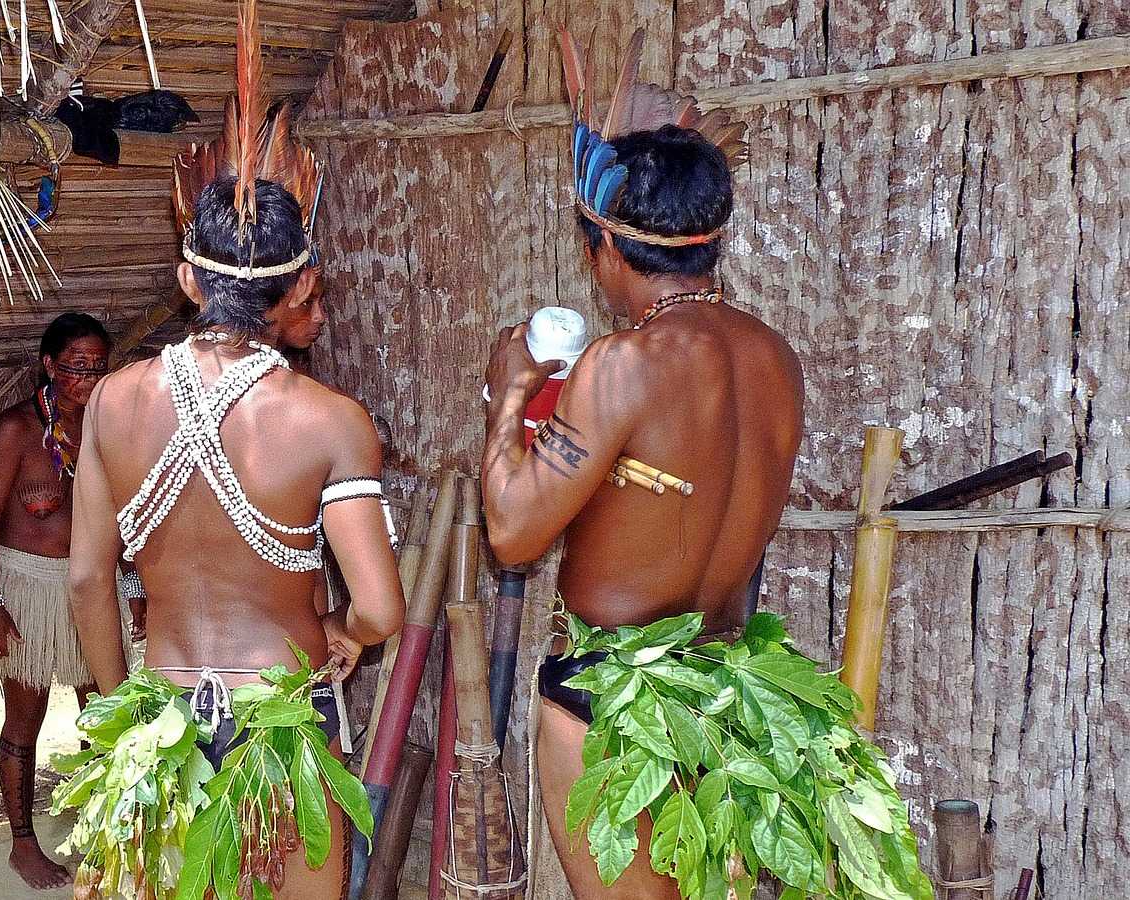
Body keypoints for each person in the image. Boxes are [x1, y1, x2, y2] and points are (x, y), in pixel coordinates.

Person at [482, 33, 930, 900]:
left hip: (607, 696)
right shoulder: (773, 358)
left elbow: (509, 534)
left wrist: (508, 400)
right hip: (725, 692)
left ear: (606, 247)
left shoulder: (624, 364)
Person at [64, 86, 404, 893]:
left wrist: (124, 720)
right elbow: (383, 609)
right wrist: (346, 630)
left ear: (188, 278)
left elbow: (86, 580)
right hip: (279, 722)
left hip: (164, 724)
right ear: (297, 288)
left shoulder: (112, 399)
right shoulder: (332, 422)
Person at [0, 312, 109, 889]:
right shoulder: (16, 431)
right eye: (77, 366)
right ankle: (23, 842)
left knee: (103, 712)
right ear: (49, 366)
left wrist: (127, 585)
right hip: (26, 586)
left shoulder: (106, 426)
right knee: (25, 714)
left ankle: (104, 829)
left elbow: (117, 516)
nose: (88, 378)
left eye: (99, 367)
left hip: (92, 585)